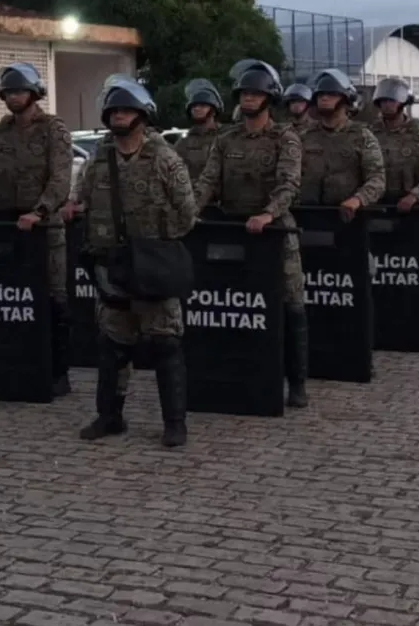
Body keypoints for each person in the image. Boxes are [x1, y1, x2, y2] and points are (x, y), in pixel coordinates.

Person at [65, 76, 197, 447]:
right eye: (115, 111)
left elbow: (187, 214)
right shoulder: (97, 160)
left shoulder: (165, 159)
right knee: (111, 344)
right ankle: (110, 416)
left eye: (127, 111)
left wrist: (151, 238)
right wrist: (75, 209)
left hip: (153, 266)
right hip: (111, 266)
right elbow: (82, 199)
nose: (120, 117)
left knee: (165, 344)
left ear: (143, 115)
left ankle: (175, 423)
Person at [0, 63, 75, 396]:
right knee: (8, 298)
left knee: (53, 300)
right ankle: (11, 365)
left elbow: (60, 177)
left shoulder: (54, 129)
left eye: (19, 91)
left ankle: (58, 371)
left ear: (34, 93)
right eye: (8, 92)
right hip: (4, 227)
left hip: (43, 229)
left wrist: (40, 211)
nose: (13, 97)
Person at [194, 59, 307, 408]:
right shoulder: (226, 139)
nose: (248, 99)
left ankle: (297, 382)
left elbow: (289, 183)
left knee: (291, 303)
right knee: (228, 303)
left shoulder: (285, 137)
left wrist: (268, 213)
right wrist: (190, 210)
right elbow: (208, 180)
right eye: (244, 93)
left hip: (274, 231)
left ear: (269, 97)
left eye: (255, 93)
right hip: (232, 229)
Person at [297, 69, 385, 218]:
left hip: (349, 216)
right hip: (308, 215)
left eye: (332, 94)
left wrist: (358, 199)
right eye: (320, 95)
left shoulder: (362, 136)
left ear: (346, 100)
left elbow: (377, 179)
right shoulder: (303, 136)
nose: (324, 98)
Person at [370, 78, 419, 210]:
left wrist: (415, 195)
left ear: (403, 102)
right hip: (376, 202)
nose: (387, 105)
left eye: (392, 101)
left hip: (413, 204)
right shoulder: (371, 132)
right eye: (383, 101)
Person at [173, 79, 223, 181]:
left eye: (203, 105)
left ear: (213, 111)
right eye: (194, 106)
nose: (197, 109)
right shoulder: (184, 143)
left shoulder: (226, 136)